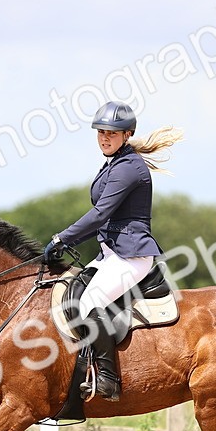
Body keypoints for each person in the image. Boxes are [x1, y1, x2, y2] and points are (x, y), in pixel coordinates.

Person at [42, 101, 183, 401]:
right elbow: (102, 218)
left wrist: (61, 239)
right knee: (72, 292)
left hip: (131, 256)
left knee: (91, 301)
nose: (105, 137)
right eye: (101, 132)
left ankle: (107, 378)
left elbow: (99, 214)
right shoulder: (115, 163)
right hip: (111, 254)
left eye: (112, 133)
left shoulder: (129, 168)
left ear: (127, 134)